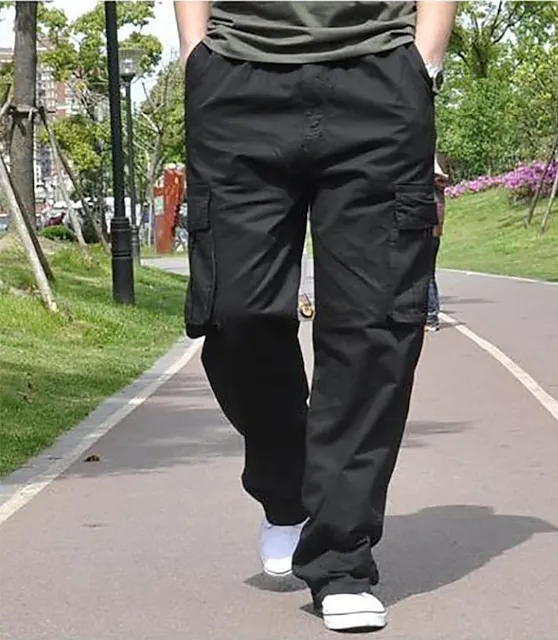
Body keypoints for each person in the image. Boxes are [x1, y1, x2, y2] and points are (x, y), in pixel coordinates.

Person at [174, 1, 457, 632]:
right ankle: (287, 487)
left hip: (380, 78)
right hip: (236, 77)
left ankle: (341, 559)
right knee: (235, 312)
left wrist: (425, 62)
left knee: (374, 327)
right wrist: (196, 56)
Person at [426, 154, 449, 331]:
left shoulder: (429, 187)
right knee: (428, 274)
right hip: (434, 232)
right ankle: (430, 314)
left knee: (426, 274)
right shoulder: (438, 188)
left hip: (428, 232)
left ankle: (431, 315)